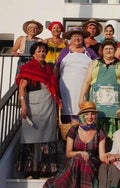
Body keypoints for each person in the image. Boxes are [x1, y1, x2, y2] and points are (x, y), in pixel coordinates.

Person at [16, 42, 60, 179]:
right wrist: (23, 105)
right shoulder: (28, 67)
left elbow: (53, 87)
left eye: (43, 51)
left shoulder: (48, 68)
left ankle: (46, 170)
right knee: (31, 139)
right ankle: (31, 171)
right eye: (39, 51)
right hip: (33, 106)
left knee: (48, 138)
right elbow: (22, 88)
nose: (41, 53)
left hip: (48, 106)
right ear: (33, 53)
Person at [79, 39, 120, 150]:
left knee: (113, 136)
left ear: (115, 50)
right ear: (102, 51)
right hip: (97, 107)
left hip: (114, 107)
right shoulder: (94, 63)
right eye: (106, 49)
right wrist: (81, 98)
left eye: (111, 49)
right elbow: (86, 82)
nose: (108, 51)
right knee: (96, 134)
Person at [43, 101, 107, 188]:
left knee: (84, 163)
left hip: (92, 162)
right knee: (78, 159)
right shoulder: (74, 130)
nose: (90, 117)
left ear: (95, 116)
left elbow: (101, 156)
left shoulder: (100, 133)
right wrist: (81, 153)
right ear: (83, 116)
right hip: (74, 162)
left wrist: (114, 156)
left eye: (92, 114)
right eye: (87, 114)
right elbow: (68, 153)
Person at [55, 27, 98, 124]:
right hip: (66, 87)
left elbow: (97, 67)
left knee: (83, 106)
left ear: (83, 38)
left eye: (79, 36)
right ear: (70, 38)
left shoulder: (90, 52)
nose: (77, 38)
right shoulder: (65, 52)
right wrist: (54, 84)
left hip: (84, 85)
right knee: (68, 107)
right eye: (74, 36)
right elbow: (57, 68)